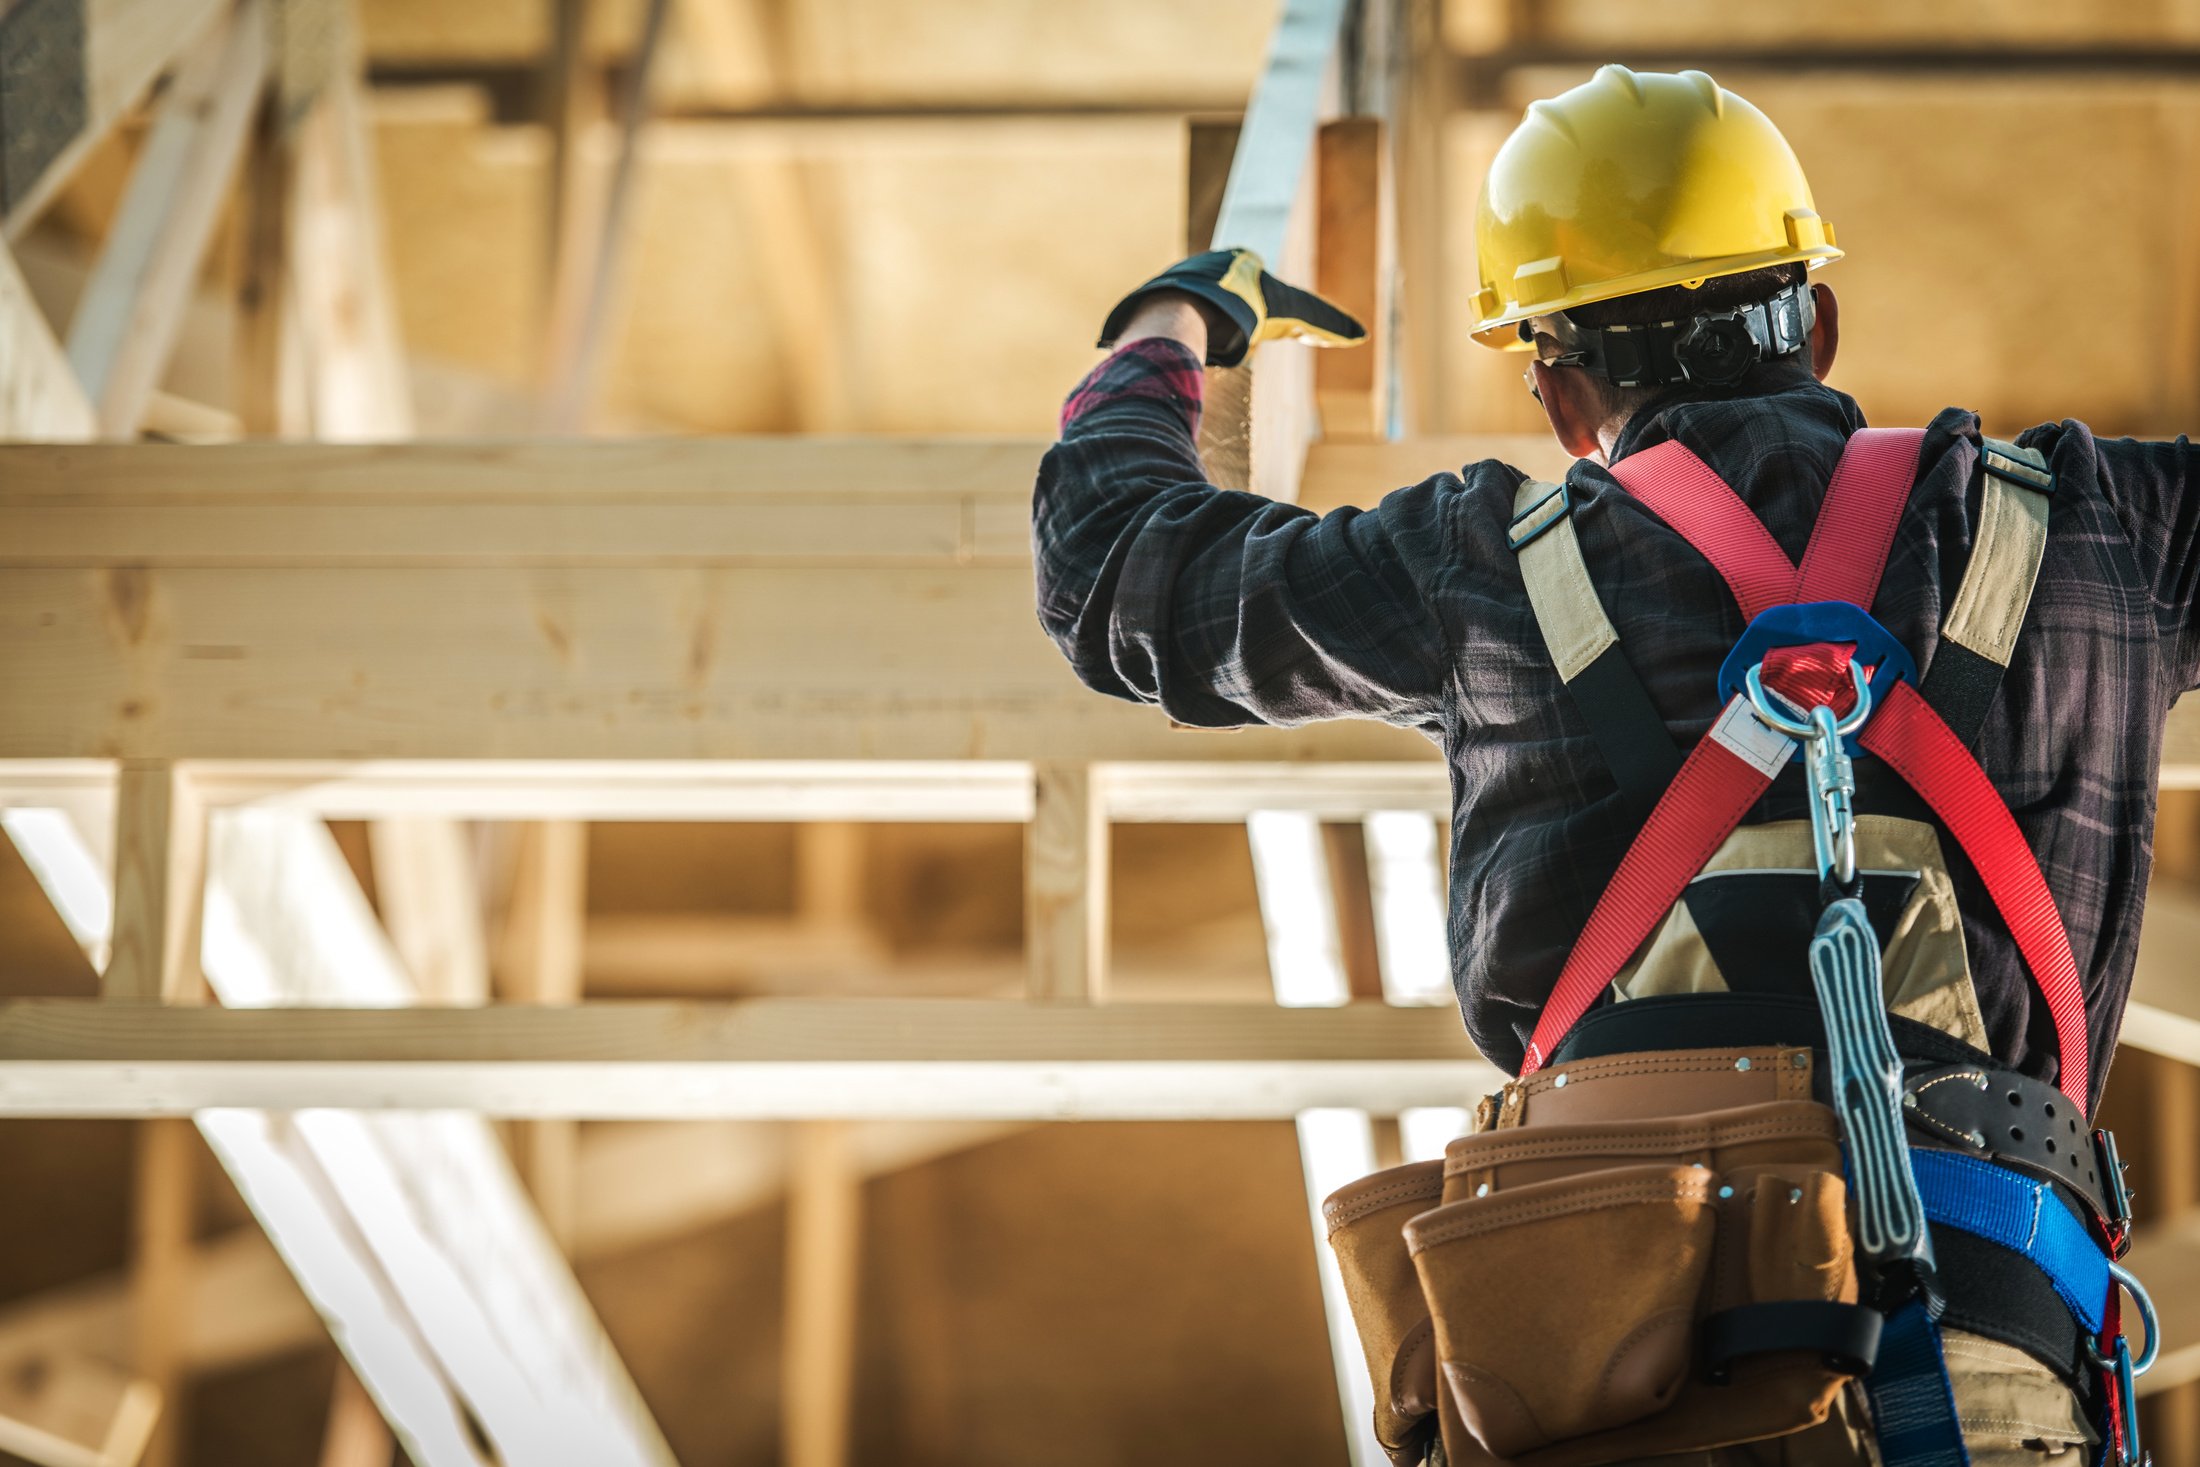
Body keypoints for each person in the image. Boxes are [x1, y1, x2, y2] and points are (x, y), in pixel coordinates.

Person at [1032, 65, 2173, 1466]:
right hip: (1983, 1350)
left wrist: (1176, 322)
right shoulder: (2098, 530)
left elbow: (1120, 576)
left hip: (1601, 1372)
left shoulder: (1480, 574)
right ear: (1815, 321)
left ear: (1560, 391)